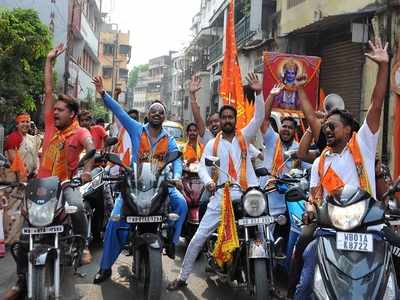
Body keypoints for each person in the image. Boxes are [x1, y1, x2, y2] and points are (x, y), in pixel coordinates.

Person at [294, 37, 389, 299]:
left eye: (332, 125)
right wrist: (311, 210)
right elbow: (314, 196)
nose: (326, 128)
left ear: (349, 130)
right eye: (325, 127)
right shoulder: (321, 161)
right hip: (330, 228)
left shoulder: (364, 145)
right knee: (303, 256)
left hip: (368, 227)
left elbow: (377, 104)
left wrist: (383, 67)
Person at [3, 43, 95, 300]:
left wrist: (87, 169)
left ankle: (84, 244)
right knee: (24, 233)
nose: (54, 112)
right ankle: (21, 281)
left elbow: (91, 148)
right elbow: (48, 90)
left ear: (73, 113)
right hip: (42, 187)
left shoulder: (81, 132)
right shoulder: (51, 128)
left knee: (76, 205)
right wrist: (48, 61)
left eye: (60, 110)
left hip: (66, 184)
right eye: (53, 110)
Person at [167, 72, 265, 290]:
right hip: (221, 196)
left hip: (249, 196)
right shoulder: (212, 144)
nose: (228, 120)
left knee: (263, 231)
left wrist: (258, 93)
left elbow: (258, 118)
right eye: (224, 118)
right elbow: (202, 167)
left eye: (231, 117)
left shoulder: (244, 138)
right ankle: (182, 278)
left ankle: (266, 280)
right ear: (220, 121)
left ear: (235, 120)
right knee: (198, 238)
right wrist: (208, 182)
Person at [91, 76, 188, 283]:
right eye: (153, 110)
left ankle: (170, 242)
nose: (156, 114)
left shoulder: (169, 140)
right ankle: (105, 267)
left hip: (160, 185)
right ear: (148, 115)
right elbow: (118, 111)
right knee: (115, 221)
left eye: (160, 112)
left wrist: (177, 176)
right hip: (134, 185)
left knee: (181, 203)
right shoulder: (136, 128)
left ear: (164, 116)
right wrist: (102, 93)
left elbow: (177, 160)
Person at [4, 112, 41, 178]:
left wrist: (37, 169)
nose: (25, 124)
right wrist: (23, 175)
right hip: (18, 177)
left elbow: (36, 156)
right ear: (17, 125)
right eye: (22, 122)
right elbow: (14, 160)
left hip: (32, 175)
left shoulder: (32, 138)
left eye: (27, 122)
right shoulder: (13, 137)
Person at [189, 75, 220, 144]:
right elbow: (197, 119)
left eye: (216, 121)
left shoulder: (230, 137)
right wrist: (192, 95)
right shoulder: (207, 136)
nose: (213, 124)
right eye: (210, 123)